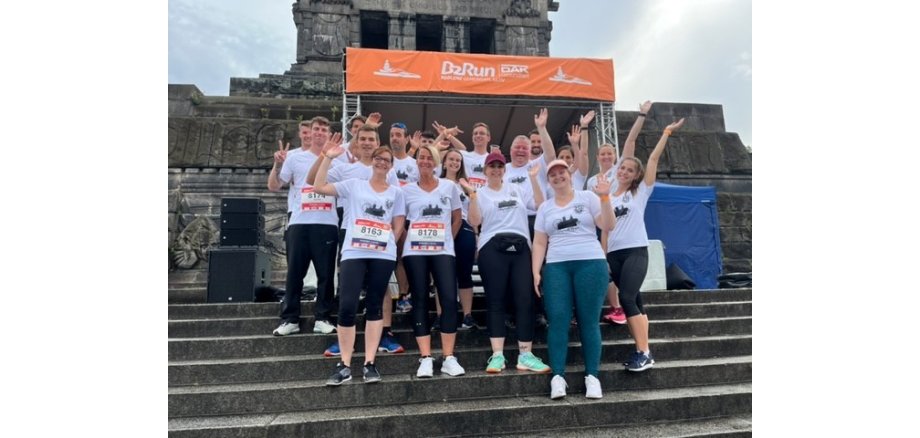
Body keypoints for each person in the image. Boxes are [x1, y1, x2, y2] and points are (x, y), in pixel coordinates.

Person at [313, 139, 407, 385]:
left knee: (374, 306)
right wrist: (328, 157)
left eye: (386, 160)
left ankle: (369, 363)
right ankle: (344, 364)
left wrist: (391, 241)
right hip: (354, 251)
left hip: (382, 254)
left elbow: (399, 221)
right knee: (347, 305)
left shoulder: (396, 192)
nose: (381, 162)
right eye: (378, 158)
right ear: (372, 162)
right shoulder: (354, 185)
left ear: (390, 166)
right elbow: (319, 186)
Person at [604, 103, 685, 372]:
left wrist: (665, 133)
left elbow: (651, 160)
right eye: (622, 168)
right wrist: (603, 256)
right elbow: (604, 229)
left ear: (636, 175)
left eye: (630, 170)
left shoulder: (640, 193)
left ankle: (644, 351)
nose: (624, 172)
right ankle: (643, 348)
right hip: (613, 254)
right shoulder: (608, 195)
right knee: (635, 301)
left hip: (635, 251)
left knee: (627, 298)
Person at [532, 159, 615, 399]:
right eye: (553, 175)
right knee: (558, 320)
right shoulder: (545, 207)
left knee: (589, 321)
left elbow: (608, 225)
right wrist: (536, 271)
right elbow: (539, 242)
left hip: (590, 262)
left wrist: (606, 198)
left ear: (570, 174)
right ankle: (558, 376)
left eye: (562, 172)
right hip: (557, 265)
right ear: (548, 180)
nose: (558, 177)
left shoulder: (588, 197)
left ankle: (593, 376)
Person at [461, 151, 550, 374]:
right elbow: (474, 221)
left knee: (524, 299)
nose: (496, 169)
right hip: (492, 246)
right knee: (496, 300)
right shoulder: (479, 193)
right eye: (492, 166)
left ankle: (525, 355)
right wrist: (472, 196)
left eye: (500, 166)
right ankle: (498, 355)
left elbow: (540, 204)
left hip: (521, 247)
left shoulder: (517, 189)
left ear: (504, 169)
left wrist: (533, 179)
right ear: (485, 170)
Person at [266, 116, 338, 336]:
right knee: (295, 273)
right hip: (299, 222)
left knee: (326, 274)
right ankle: (290, 319)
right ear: (310, 132)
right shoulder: (295, 158)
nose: (319, 133)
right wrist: (277, 164)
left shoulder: (337, 158)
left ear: (328, 134)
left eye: (324, 130)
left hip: (326, 223)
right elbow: (274, 186)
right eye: (316, 129)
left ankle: (323, 317)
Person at [401, 145, 466, 377]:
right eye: (422, 157)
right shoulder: (406, 190)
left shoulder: (449, 186)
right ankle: (426, 357)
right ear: (417, 162)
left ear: (437, 163)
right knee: (419, 299)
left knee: (448, 298)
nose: (426, 161)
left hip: (443, 250)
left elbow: (457, 217)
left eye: (430, 158)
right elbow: (402, 221)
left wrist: (447, 239)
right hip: (415, 251)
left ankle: (449, 356)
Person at [440, 148, 478, 330]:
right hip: (442, 228)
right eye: (451, 159)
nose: (455, 163)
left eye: (458, 160)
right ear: (444, 162)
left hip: (464, 228)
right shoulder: (437, 182)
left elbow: (473, 212)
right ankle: (442, 316)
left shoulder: (465, 184)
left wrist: (476, 234)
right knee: (441, 274)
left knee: (464, 273)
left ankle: (467, 315)